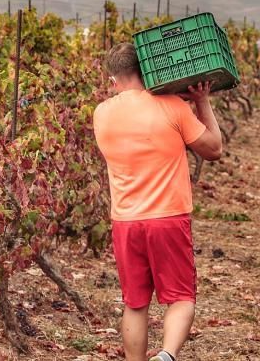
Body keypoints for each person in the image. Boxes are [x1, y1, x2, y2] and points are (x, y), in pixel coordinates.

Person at [93, 43, 222, 361]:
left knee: (135, 303)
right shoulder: (172, 105)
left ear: (113, 81)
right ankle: (166, 356)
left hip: (125, 221)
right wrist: (202, 103)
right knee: (180, 297)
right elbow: (213, 149)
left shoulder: (101, 113)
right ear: (147, 70)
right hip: (168, 218)